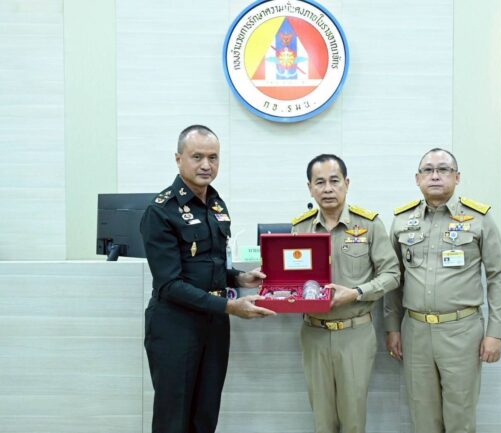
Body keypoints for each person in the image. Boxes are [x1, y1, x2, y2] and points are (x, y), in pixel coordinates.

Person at [140, 125, 276, 433]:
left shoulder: (216, 205)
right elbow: (170, 285)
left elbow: (208, 266)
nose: (206, 165)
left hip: (213, 326)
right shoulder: (160, 211)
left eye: (213, 157)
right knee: (173, 420)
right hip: (175, 326)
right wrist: (230, 307)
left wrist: (240, 277)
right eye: (197, 157)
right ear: (179, 159)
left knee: (205, 416)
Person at [384, 148, 501, 433]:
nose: (435, 176)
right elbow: (394, 280)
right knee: (422, 416)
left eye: (443, 169)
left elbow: (498, 275)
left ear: (457, 177)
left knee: (459, 416)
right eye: (428, 170)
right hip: (415, 332)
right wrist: (392, 327)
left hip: (462, 332)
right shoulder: (402, 221)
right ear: (417, 179)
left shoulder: (479, 219)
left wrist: (495, 333)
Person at [291, 154, 400, 433]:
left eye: (334, 181)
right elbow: (292, 278)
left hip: (355, 334)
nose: (328, 189)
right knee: (322, 420)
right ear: (310, 188)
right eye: (320, 182)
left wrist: (356, 293)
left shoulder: (369, 224)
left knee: (352, 419)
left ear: (347, 183)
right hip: (314, 332)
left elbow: (392, 274)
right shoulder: (300, 228)